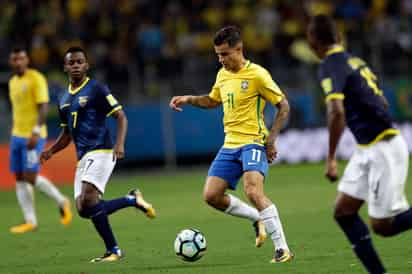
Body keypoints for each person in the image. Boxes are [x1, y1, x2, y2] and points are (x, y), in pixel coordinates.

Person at [169, 26, 293, 263]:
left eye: (225, 54)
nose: (221, 59)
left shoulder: (258, 75)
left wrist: (271, 140)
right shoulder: (222, 74)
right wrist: (188, 98)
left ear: (239, 49)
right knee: (211, 195)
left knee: (253, 191)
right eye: (217, 54)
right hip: (230, 144)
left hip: (253, 142)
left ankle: (282, 249)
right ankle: (256, 219)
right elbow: (212, 100)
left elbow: (283, 105)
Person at [307, 15, 412, 274]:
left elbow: (336, 112)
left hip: (383, 148)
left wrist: (330, 157)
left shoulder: (330, 64)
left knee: (383, 226)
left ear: (313, 44)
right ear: (339, 37)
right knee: (343, 211)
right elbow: (382, 102)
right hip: (368, 147)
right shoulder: (356, 61)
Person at [40, 46, 156, 262]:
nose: (76, 65)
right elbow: (67, 133)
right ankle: (131, 200)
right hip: (83, 156)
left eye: (79, 62)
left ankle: (114, 250)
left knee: (89, 198)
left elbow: (121, 116)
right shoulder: (63, 98)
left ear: (86, 65)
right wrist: (51, 151)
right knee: (84, 208)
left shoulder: (97, 89)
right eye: (71, 62)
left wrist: (119, 144)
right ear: (65, 67)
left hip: (102, 150)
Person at [8, 47, 73, 234]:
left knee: (30, 176)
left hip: (33, 135)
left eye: (21, 58)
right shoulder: (12, 82)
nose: (18, 62)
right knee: (19, 177)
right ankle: (30, 221)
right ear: (11, 61)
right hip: (16, 135)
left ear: (27, 59)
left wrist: (36, 131)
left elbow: (44, 106)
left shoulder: (36, 78)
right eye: (14, 59)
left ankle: (62, 200)